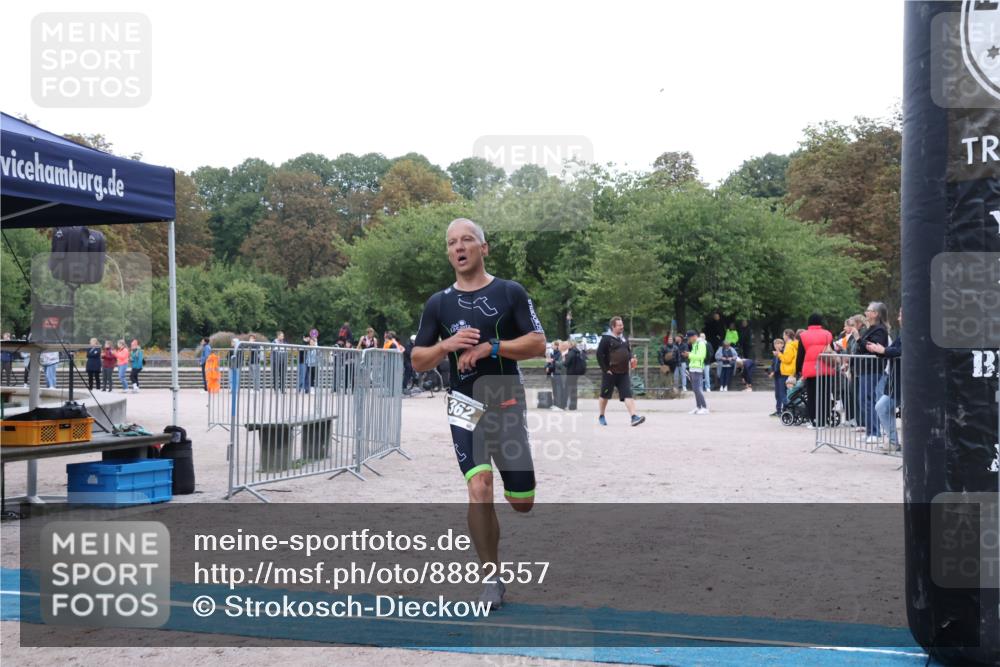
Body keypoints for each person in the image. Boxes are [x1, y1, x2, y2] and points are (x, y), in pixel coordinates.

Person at [411, 217, 545, 611]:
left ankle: (515, 482)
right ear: (449, 252)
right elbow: (418, 359)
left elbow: (538, 343)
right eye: (452, 242)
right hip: (463, 401)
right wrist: (446, 344)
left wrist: (492, 348)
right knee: (479, 487)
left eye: (467, 239)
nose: (459, 247)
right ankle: (491, 580)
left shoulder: (510, 292)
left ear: (483, 248)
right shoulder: (439, 303)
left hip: (505, 399)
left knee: (522, 501)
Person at [596, 317, 645, 427]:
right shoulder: (606, 339)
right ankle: (601, 416)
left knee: (628, 394)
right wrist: (605, 369)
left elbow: (628, 351)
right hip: (610, 373)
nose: (622, 327)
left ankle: (633, 417)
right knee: (605, 396)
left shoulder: (624, 338)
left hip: (623, 373)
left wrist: (631, 359)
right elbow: (599, 355)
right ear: (613, 327)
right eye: (619, 325)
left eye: (622, 325)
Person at [855, 302, 891, 443]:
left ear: (875, 314)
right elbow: (863, 347)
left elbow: (872, 347)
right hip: (865, 369)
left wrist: (858, 339)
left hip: (873, 369)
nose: (866, 313)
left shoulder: (880, 330)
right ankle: (870, 430)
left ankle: (875, 432)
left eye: (868, 310)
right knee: (864, 399)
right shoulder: (871, 329)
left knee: (868, 399)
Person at [869, 307, 902, 453]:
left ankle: (903, 445)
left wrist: (883, 351)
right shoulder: (903, 334)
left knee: (883, 407)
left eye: (901, 315)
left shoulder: (912, 333)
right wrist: (880, 351)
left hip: (903, 381)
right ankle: (894, 442)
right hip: (895, 380)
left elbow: (901, 351)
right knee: (881, 407)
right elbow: (892, 349)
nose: (899, 318)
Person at [799, 314, 835, 428]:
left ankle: (814, 420)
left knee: (812, 395)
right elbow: (832, 351)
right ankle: (824, 420)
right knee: (825, 395)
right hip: (826, 369)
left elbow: (800, 354)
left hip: (811, 370)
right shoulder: (827, 334)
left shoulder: (803, 335)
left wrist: (799, 369)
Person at [683, 330, 709, 414]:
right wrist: (689, 354)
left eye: (689, 338)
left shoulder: (701, 344)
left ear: (694, 337)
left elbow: (701, 356)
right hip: (693, 368)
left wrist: (689, 355)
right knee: (695, 389)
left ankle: (704, 408)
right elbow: (696, 355)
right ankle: (698, 407)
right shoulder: (695, 344)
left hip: (698, 368)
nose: (688, 340)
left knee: (698, 389)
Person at [562, 340, 585, 410]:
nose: (567, 345)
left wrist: (564, 358)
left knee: (567, 390)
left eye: (568, 344)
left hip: (570, 374)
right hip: (576, 373)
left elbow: (566, 363)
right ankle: (573, 406)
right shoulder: (578, 352)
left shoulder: (571, 352)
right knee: (574, 390)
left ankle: (565, 405)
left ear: (571, 345)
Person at [768, 338, 787, 416]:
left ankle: (785, 410)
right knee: (777, 394)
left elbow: (782, 364)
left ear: (782, 345)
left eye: (779, 343)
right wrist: (771, 371)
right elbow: (773, 364)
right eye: (775, 344)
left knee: (783, 393)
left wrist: (774, 371)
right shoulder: (776, 354)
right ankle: (778, 410)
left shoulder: (783, 353)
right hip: (777, 376)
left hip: (782, 375)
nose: (777, 345)